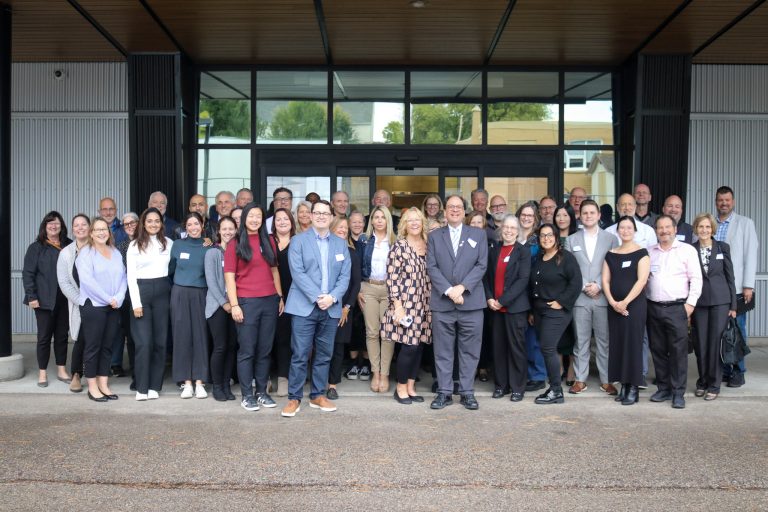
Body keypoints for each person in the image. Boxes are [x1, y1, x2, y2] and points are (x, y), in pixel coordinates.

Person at [281, 200, 351, 417]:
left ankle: (317, 395)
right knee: (300, 354)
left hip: (330, 308)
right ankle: (294, 398)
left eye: (325, 213)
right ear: (310, 216)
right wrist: (317, 297)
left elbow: (345, 276)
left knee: (324, 355)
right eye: (317, 213)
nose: (321, 216)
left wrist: (332, 297)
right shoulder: (298, 241)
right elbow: (298, 273)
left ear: (331, 217)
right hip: (305, 307)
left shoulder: (340, 244)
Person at [427, 194, 488, 411]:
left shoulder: (478, 235)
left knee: (470, 350)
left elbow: (482, 265)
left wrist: (462, 288)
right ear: (445, 211)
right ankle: (444, 392)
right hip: (443, 303)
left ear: (465, 211)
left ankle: (466, 392)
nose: (454, 210)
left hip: (471, 302)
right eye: (451, 207)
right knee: (443, 350)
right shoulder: (435, 236)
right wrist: (449, 290)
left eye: (459, 207)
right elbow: (431, 267)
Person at [224, 204, 283, 411]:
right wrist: (234, 305)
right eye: (251, 216)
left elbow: (274, 271)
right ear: (244, 218)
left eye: (259, 216)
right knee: (247, 351)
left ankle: (261, 392)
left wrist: (279, 296)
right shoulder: (235, 243)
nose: (255, 220)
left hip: (269, 301)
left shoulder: (269, 241)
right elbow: (229, 277)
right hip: (246, 302)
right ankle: (247, 395)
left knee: (264, 350)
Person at [646, 215, 702, 409]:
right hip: (653, 307)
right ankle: (663, 388)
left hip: (678, 307)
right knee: (658, 349)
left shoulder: (686, 251)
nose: (664, 231)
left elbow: (696, 279)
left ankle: (678, 392)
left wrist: (690, 305)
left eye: (667, 227)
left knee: (678, 352)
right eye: (660, 228)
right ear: (656, 231)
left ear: (675, 229)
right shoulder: (649, 252)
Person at [564, 200, 619, 395]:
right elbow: (569, 269)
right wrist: (585, 285)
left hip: (603, 296)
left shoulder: (611, 239)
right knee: (581, 340)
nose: (588, 216)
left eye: (591, 212)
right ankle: (580, 379)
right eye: (584, 213)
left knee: (604, 341)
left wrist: (598, 284)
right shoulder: (571, 240)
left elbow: (613, 266)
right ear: (580, 216)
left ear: (598, 215)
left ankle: (606, 380)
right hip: (580, 298)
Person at [381, 207, 432, 405]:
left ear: (422, 223)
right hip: (406, 304)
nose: (414, 223)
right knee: (408, 347)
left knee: (418, 347)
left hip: (425, 303)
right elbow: (392, 279)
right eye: (409, 220)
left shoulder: (428, 245)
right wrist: (398, 306)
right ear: (404, 224)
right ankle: (400, 388)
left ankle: (411, 387)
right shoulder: (399, 247)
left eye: (417, 220)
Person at [529, 224, 582, 404]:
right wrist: (531, 310)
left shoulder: (566, 258)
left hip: (556, 311)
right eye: (543, 236)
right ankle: (554, 388)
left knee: (548, 347)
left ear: (556, 237)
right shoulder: (539, 258)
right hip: (539, 311)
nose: (546, 239)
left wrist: (561, 301)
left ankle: (556, 390)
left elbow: (576, 283)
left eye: (550, 235)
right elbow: (534, 286)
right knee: (546, 348)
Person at [75, 217, 127, 402]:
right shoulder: (86, 254)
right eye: (97, 229)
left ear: (109, 231)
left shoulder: (115, 252)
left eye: (104, 229)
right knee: (93, 347)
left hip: (113, 306)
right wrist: (108, 298)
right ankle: (92, 387)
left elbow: (123, 277)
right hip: (94, 306)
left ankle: (103, 384)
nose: (101, 232)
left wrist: (119, 297)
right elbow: (88, 282)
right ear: (91, 233)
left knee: (107, 347)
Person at [713, 186, 758, 388]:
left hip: (737, 287)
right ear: (716, 201)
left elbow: (751, 255)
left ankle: (739, 371)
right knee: (719, 330)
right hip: (714, 288)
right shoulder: (710, 223)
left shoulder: (745, 224)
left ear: (733, 202)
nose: (724, 203)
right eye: (721, 200)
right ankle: (724, 370)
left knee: (737, 328)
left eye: (727, 200)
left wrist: (748, 285)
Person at [602, 216, 650, 405]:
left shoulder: (642, 253)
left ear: (635, 230)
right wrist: (614, 302)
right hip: (614, 307)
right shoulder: (611, 254)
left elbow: (642, 281)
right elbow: (605, 280)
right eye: (622, 227)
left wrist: (625, 302)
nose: (625, 230)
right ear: (618, 230)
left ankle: (633, 388)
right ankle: (623, 384)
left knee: (633, 345)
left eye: (629, 227)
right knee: (618, 345)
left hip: (635, 306)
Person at [127, 207, 173, 401]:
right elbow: (130, 276)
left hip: (163, 291)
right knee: (144, 343)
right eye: (149, 221)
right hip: (142, 292)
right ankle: (142, 386)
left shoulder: (169, 243)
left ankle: (155, 386)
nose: (153, 224)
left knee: (160, 342)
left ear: (161, 223)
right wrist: (136, 303)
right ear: (143, 224)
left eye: (157, 221)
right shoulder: (135, 245)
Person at [484, 214, 531, 402]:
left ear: (518, 231)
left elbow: (522, 280)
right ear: (501, 229)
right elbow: (486, 277)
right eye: (506, 227)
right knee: (499, 348)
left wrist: (502, 300)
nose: (509, 231)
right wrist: (489, 298)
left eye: (513, 228)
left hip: (514, 308)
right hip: (495, 309)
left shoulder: (523, 252)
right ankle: (501, 385)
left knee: (516, 348)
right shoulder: (494, 250)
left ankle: (518, 387)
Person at [23, 211, 72, 387]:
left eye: (56, 223)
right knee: (44, 337)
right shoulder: (36, 247)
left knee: (61, 336)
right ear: (45, 226)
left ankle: (61, 369)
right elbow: (28, 274)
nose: (53, 226)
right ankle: (42, 373)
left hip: (65, 300)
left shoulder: (69, 246)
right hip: (43, 301)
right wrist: (31, 296)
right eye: (49, 223)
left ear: (61, 226)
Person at [691, 213, 737, 401]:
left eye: (708, 227)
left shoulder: (722, 248)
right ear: (696, 229)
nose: (704, 230)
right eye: (701, 227)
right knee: (701, 344)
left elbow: (730, 277)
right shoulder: (690, 249)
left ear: (712, 229)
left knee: (715, 345)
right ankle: (702, 381)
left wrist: (733, 304)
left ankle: (714, 385)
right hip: (699, 302)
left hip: (720, 301)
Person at [169, 212, 212, 399]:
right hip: (179, 293)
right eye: (190, 224)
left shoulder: (209, 246)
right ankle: (186, 382)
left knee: (201, 336)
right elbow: (170, 270)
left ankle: (200, 381)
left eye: (197, 223)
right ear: (185, 227)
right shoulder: (177, 245)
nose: (193, 227)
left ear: (202, 225)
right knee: (182, 337)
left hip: (201, 294)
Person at [359, 205, 396, 393]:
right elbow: (357, 265)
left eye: (383, 217)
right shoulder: (364, 240)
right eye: (376, 217)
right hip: (369, 288)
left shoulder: (395, 240)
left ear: (388, 220)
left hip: (389, 289)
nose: (380, 220)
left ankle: (386, 373)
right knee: (372, 332)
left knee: (387, 334)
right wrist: (358, 289)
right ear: (372, 220)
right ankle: (376, 373)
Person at [327, 216, 362, 400]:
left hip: (343, 309)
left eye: (345, 228)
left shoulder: (352, 252)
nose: (342, 230)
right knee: (323, 347)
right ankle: (320, 381)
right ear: (331, 229)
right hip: (323, 306)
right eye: (339, 227)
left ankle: (332, 385)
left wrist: (347, 307)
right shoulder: (323, 250)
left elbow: (355, 284)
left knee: (338, 347)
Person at [205, 216, 239, 402]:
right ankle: (217, 386)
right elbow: (211, 282)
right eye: (224, 229)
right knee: (220, 346)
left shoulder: (238, 251)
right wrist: (225, 303)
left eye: (231, 229)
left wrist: (234, 304)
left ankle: (227, 384)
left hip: (235, 306)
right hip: (217, 306)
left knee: (232, 346)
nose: (228, 232)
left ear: (236, 230)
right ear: (219, 231)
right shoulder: (213, 253)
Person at [56, 214, 90, 393]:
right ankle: (76, 374)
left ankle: (97, 374)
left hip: (99, 302)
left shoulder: (97, 248)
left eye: (84, 224)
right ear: (72, 228)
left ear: (89, 227)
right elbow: (64, 283)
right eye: (76, 225)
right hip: (79, 303)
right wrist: (81, 300)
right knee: (81, 338)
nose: (80, 228)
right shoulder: (66, 253)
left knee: (98, 339)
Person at [516, 202, 546, 393]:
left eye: (530, 215)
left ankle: (538, 375)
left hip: (532, 295)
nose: (526, 218)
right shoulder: (511, 236)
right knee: (519, 339)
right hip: (514, 296)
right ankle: (522, 373)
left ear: (535, 219)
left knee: (533, 338)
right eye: (523, 215)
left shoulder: (539, 241)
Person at [271, 208, 297, 397]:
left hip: (294, 296)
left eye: (285, 219)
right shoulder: (268, 241)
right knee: (266, 338)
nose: (282, 222)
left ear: (291, 222)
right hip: (269, 294)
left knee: (285, 339)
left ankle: (283, 378)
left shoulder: (299, 242)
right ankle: (264, 379)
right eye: (278, 219)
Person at [466, 210, 493, 382]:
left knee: (483, 334)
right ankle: (470, 369)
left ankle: (482, 367)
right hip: (467, 293)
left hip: (485, 294)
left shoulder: (491, 244)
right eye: (473, 223)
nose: (476, 226)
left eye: (479, 223)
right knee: (467, 336)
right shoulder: (462, 245)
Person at [113, 212, 139, 384]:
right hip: (127, 296)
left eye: (132, 223)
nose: (129, 226)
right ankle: (136, 371)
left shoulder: (147, 243)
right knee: (130, 335)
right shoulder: (121, 246)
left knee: (143, 335)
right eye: (125, 224)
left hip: (145, 294)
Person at [553, 205, 578, 384]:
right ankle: (560, 366)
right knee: (559, 332)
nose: (561, 218)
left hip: (576, 291)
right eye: (558, 215)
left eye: (565, 215)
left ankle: (572, 369)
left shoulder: (578, 237)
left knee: (577, 333)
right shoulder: (550, 237)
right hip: (556, 291)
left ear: (571, 217)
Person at [345, 210, 371, 380]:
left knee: (367, 326)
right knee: (352, 328)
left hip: (368, 288)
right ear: (348, 224)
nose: (357, 224)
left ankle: (367, 364)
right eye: (353, 222)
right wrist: (355, 291)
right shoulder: (344, 242)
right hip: (349, 290)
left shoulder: (369, 241)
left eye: (360, 221)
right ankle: (354, 363)